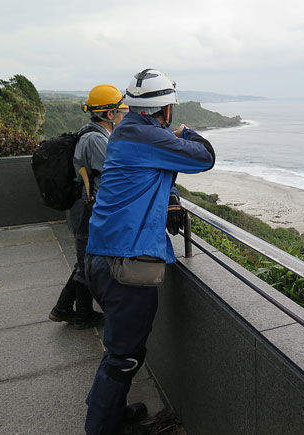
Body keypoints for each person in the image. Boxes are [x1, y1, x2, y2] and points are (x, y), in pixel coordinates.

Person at [83, 69, 215, 434]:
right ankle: (101, 428)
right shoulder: (150, 137)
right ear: (166, 109)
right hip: (122, 264)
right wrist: (185, 133)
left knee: (124, 351)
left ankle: (111, 413)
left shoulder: (125, 131)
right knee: (123, 357)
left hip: (101, 256)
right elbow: (205, 157)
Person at [49, 84, 129, 330]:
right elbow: (113, 175)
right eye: (120, 112)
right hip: (87, 209)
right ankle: (66, 309)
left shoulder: (92, 132)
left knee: (86, 260)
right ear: (109, 114)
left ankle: (80, 313)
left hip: (85, 206)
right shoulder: (96, 139)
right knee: (86, 262)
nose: (123, 116)